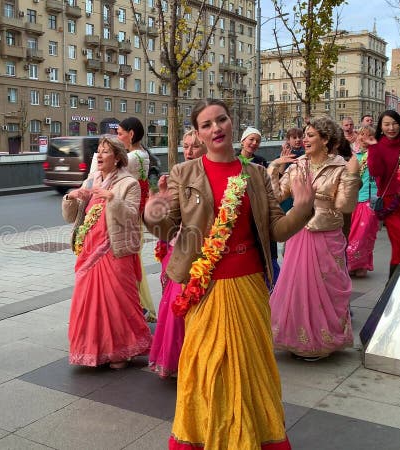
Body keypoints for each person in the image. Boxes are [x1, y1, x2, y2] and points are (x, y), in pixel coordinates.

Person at [145, 98, 315, 449]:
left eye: (220, 120)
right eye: (206, 125)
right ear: (198, 134)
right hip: (204, 288)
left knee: (252, 370)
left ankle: (253, 436)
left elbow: (276, 230)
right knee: (204, 367)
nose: (216, 128)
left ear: (231, 123)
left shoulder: (254, 174)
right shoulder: (184, 173)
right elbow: (166, 228)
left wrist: (302, 206)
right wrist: (154, 211)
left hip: (249, 283)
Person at [268, 116, 360, 360]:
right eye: (305, 135)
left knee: (328, 288)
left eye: (310, 135)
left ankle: (323, 341)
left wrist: (352, 175)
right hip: (298, 231)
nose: (305, 140)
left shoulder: (340, 166)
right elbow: (276, 196)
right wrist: (275, 168)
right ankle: (296, 339)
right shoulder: (297, 165)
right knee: (297, 286)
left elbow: (345, 206)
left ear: (326, 139)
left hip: (326, 232)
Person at [62, 136, 152, 369]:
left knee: (117, 302)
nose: (99, 156)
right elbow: (71, 217)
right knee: (87, 302)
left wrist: (112, 198)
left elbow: (132, 215)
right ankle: (95, 350)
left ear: (118, 157)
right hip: (89, 249)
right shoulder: (91, 181)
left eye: (105, 152)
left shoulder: (128, 183)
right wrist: (71, 198)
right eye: (98, 152)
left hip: (115, 249)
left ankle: (121, 352)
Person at [148, 129, 206, 378]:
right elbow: (167, 220)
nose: (189, 151)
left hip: (205, 247)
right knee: (175, 301)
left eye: (194, 146)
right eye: (186, 146)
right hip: (180, 245)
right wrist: (159, 196)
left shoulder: (208, 174)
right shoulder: (179, 173)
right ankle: (177, 358)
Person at [367, 110, 400, 278]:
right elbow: (376, 171)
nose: (391, 128)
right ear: (381, 127)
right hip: (391, 202)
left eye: (395, 123)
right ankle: (393, 283)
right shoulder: (378, 145)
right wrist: (373, 147)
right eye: (387, 124)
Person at [116, 117, 157, 322]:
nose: (118, 137)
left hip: (127, 214)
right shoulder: (144, 155)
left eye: (120, 133)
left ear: (131, 134)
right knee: (135, 259)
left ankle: (136, 306)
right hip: (138, 214)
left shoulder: (131, 158)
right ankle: (139, 305)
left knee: (129, 263)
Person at [346, 126, 379, 277]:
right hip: (353, 199)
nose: (364, 139)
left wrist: (375, 148)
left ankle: (360, 264)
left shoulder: (377, 154)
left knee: (365, 235)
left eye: (369, 136)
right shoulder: (352, 156)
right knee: (351, 234)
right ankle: (350, 264)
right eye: (362, 135)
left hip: (369, 200)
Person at [278, 128, 305, 213]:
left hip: (303, 194)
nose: (298, 140)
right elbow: (278, 176)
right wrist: (283, 160)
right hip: (287, 196)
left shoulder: (307, 154)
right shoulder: (283, 155)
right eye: (294, 137)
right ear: (288, 140)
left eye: (300, 137)